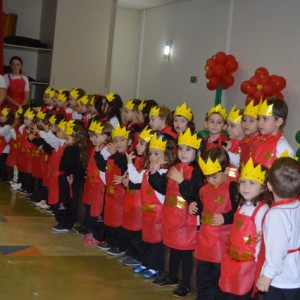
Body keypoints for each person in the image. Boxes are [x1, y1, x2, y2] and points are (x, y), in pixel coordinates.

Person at [153, 128, 205, 297]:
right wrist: (154, 175)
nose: (183, 153)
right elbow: (163, 187)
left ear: (196, 152)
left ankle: (185, 284)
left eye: (188, 150)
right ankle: (172, 276)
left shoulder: (197, 172)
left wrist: (182, 181)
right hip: (171, 217)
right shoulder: (174, 166)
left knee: (184, 252)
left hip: (185, 219)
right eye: (181, 148)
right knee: (173, 248)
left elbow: (196, 194)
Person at [219, 158, 271, 299]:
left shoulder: (262, 209)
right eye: (242, 182)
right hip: (232, 261)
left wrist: (257, 267)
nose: (245, 187)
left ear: (264, 187)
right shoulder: (242, 205)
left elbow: (262, 241)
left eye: (252, 183)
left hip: (248, 266)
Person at [190, 146, 238, 300]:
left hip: (222, 247)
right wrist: (193, 205)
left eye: (214, 176)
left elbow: (240, 212)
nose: (210, 180)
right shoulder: (204, 189)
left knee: (218, 280)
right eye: (207, 176)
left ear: (225, 171)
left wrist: (226, 218)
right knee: (203, 277)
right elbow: (202, 207)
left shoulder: (232, 188)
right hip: (205, 243)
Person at [256, 157, 300, 300]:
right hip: (295, 275)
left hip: (281, 279)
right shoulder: (297, 204)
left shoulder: (276, 214)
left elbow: (277, 250)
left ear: (269, 186)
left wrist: (267, 275)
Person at [133, 133, 174, 279]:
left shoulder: (165, 173)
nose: (153, 157)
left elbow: (162, 190)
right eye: (151, 154)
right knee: (146, 239)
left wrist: (154, 174)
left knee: (156, 242)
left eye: (157, 154)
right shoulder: (147, 172)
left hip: (159, 215)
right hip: (147, 213)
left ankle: (155, 266)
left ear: (167, 156)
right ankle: (145, 262)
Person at [251, 97, 294, 168]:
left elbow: (285, 175)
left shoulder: (282, 146)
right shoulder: (257, 140)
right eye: (258, 118)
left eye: (265, 118)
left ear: (278, 121)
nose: (259, 123)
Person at [224, 106, 244, 179]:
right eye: (228, 125)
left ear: (244, 127)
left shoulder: (245, 145)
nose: (228, 128)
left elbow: (240, 162)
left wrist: (226, 152)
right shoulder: (229, 142)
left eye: (232, 125)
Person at [240, 100, 260, 166]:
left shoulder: (260, 142)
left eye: (251, 121)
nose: (246, 124)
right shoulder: (244, 139)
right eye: (244, 120)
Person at [0, 107, 14, 182]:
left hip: (5, 150)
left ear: (8, 118)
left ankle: (3, 178)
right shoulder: (4, 126)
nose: (0, 117)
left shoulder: (7, 127)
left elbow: (1, 132)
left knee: (3, 165)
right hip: (2, 149)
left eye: (2, 116)